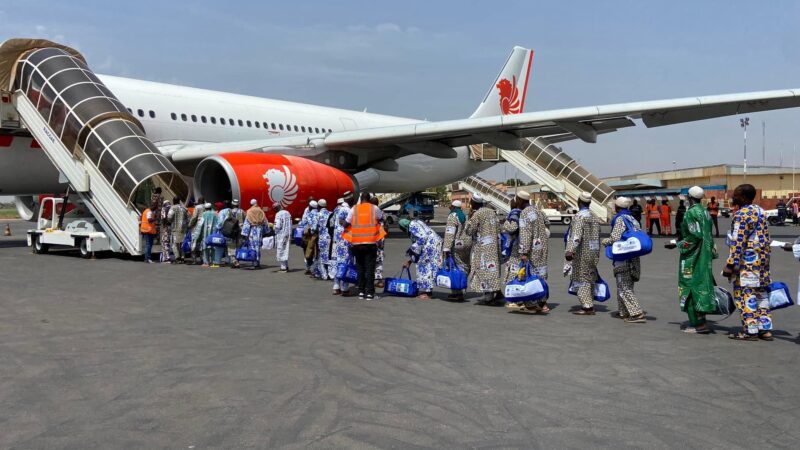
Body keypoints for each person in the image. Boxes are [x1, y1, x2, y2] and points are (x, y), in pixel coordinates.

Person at [723, 184, 773, 341]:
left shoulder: (741, 215)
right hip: (763, 264)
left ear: (744, 197)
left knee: (746, 296)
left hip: (747, 265)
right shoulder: (760, 211)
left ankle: (750, 331)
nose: (733, 196)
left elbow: (739, 242)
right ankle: (765, 330)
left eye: (736, 194)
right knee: (761, 296)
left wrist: (730, 264)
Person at [666, 186, 716, 334]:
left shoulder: (691, 213)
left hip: (693, 257)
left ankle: (698, 324)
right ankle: (702, 320)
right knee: (702, 286)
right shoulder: (705, 212)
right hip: (705, 255)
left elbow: (695, 236)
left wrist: (677, 244)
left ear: (689, 197)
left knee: (689, 286)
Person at [602, 197, 646, 323]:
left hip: (623, 257)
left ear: (617, 207)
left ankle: (636, 313)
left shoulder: (620, 219)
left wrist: (606, 241)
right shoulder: (633, 219)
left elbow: (615, 237)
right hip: (633, 256)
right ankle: (624, 312)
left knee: (624, 286)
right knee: (625, 284)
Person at [343, 192, 386, 300]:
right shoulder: (374, 208)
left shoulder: (354, 209)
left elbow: (346, 223)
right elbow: (381, 219)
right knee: (370, 268)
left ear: (361, 199)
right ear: (369, 199)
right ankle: (370, 293)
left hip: (356, 243)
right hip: (371, 242)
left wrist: (343, 223)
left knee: (360, 268)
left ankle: (361, 291)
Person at [462, 194, 502, 305]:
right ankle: (497, 292)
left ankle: (489, 298)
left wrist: (469, 219)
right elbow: (499, 228)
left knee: (483, 270)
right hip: (494, 246)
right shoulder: (492, 212)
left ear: (473, 202)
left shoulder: (477, 214)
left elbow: (469, 231)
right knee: (492, 270)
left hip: (483, 248)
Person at [565, 192, 601, 315]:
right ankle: (589, 302)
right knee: (589, 276)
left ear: (579, 201)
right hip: (594, 251)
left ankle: (587, 307)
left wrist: (571, 250)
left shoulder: (579, 216)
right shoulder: (593, 216)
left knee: (581, 278)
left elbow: (576, 235)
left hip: (582, 252)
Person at [515, 192, 551, 313]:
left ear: (521, 200)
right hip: (542, 247)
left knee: (530, 276)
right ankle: (543, 303)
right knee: (541, 275)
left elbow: (525, 234)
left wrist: (524, 251)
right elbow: (548, 223)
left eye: (517, 200)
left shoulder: (524, 213)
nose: (516, 202)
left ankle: (532, 304)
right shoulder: (537, 210)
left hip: (532, 249)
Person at [399, 218, 443, 300]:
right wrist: (410, 261)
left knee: (424, 268)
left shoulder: (412, 225)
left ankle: (427, 293)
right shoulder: (417, 222)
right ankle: (427, 291)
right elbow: (417, 250)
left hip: (429, 246)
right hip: (434, 244)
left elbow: (422, 238)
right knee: (429, 267)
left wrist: (412, 249)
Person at [441, 199, 471, 301]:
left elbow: (450, 233)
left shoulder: (453, 216)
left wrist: (446, 248)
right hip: (466, 244)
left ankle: (457, 292)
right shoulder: (464, 216)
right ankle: (462, 286)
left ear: (452, 207)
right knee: (465, 266)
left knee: (455, 267)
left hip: (457, 245)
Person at [331, 198, 352, 294]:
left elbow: (331, 224)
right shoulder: (348, 210)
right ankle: (344, 288)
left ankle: (336, 286)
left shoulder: (336, 211)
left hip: (336, 241)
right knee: (346, 264)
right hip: (346, 241)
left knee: (336, 263)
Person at [192, 202, 220, 267]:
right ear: (210, 207)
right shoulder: (215, 214)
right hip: (214, 234)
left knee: (205, 248)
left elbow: (200, 225)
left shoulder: (203, 214)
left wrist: (197, 235)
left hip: (205, 233)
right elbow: (219, 223)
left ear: (205, 208)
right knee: (213, 247)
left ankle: (206, 262)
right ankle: (213, 261)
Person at [218, 199, 244, 268]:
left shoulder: (229, 212)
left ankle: (235, 262)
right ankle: (237, 260)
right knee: (238, 246)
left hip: (231, 231)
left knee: (231, 247)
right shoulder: (242, 211)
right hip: (240, 231)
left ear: (232, 205)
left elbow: (226, 220)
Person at [242, 199, 267, 269]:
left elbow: (247, 223)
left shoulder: (249, 211)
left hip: (252, 230)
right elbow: (265, 221)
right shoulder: (261, 210)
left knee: (252, 246)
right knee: (258, 246)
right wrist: (266, 231)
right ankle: (258, 262)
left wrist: (244, 233)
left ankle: (254, 262)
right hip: (259, 230)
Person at [299, 200, 320, 275]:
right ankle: (316, 268)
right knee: (317, 252)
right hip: (318, 235)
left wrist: (299, 223)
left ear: (310, 206)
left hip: (309, 235)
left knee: (308, 250)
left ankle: (309, 267)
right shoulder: (318, 213)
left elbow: (303, 222)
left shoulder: (309, 214)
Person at [370, 196, 386, 288]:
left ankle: (369, 279)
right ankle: (379, 280)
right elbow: (386, 227)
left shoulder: (368, 213)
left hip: (370, 240)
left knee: (369, 260)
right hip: (380, 240)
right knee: (379, 261)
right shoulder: (382, 213)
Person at [167, 196, 189, 263]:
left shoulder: (173, 208)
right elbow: (188, 218)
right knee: (182, 243)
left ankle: (177, 257)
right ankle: (182, 257)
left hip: (175, 229)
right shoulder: (184, 208)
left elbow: (169, 217)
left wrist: (169, 221)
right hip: (183, 229)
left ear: (173, 201)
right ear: (179, 201)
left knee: (174, 244)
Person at [273, 202, 292, 272]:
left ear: (276, 208)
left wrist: (273, 227)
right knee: (285, 249)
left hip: (281, 235)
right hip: (288, 234)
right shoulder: (287, 212)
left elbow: (277, 226)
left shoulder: (278, 214)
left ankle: (283, 267)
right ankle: (286, 266)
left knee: (280, 250)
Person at [316, 199, 332, 280]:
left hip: (322, 239)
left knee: (322, 257)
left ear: (319, 206)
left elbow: (314, 227)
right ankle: (331, 274)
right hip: (330, 238)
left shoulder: (318, 215)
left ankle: (324, 275)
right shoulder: (330, 213)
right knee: (329, 256)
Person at [187, 196, 205, 265]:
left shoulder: (197, 207)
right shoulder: (206, 207)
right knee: (202, 242)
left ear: (199, 201)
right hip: (204, 226)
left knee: (194, 242)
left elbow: (194, 217)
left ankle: (194, 259)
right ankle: (202, 258)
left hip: (197, 226)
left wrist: (190, 225)